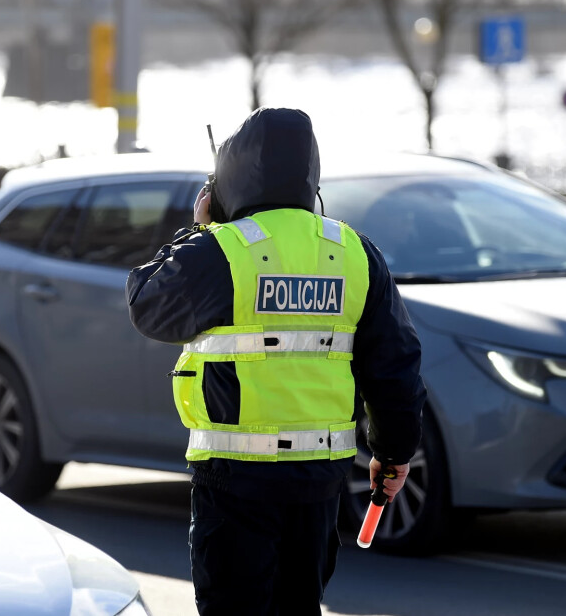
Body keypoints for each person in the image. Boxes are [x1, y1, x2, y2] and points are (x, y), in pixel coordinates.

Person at [125, 108, 426, 615]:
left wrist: (199, 231)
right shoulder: (353, 251)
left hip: (235, 479)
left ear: (230, 179)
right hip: (318, 481)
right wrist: (394, 453)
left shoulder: (222, 251)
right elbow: (395, 365)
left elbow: (147, 306)